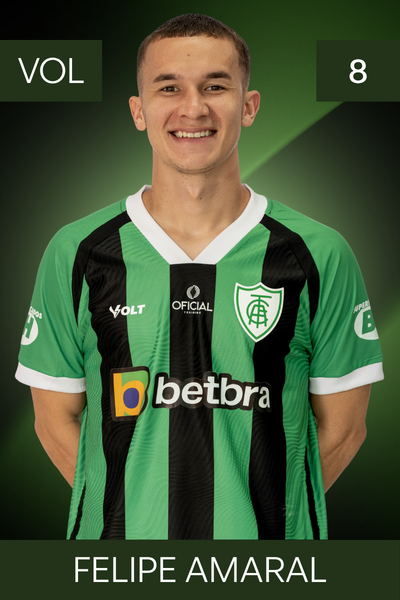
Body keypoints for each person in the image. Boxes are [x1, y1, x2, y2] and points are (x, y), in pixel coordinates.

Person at [15, 13, 383, 540]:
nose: (193, 107)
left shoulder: (318, 253)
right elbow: (54, 422)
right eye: (169, 88)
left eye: (215, 86)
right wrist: (132, 515)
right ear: (139, 111)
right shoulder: (77, 252)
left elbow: (343, 431)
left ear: (248, 106)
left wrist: (257, 522)